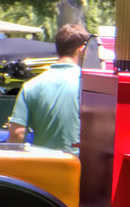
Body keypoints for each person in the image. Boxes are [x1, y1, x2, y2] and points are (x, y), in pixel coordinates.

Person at [5, 24, 88, 153]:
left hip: (44, 167)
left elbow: (17, 133)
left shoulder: (31, 85)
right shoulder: (89, 84)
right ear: (82, 50)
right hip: (79, 168)